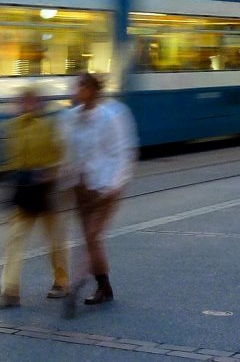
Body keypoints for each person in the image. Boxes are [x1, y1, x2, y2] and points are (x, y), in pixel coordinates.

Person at [61, 72, 137, 316]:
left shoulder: (113, 115)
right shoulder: (72, 117)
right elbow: (67, 151)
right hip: (82, 187)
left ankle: (76, 285)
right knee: (91, 240)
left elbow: (124, 153)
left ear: (93, 90)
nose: (75, 91)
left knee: (92, 236)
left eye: (80, 86)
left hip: (106, 187)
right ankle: (105, 287)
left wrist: (115, 184)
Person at [0, 85, 69, 309]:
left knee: (54, 241)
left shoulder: (51, 126)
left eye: (31, 101)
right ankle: (10, 292)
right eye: (22, 101)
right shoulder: (8, 127)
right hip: (24, 191)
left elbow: (63, 155)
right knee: (14, 240)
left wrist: (50, 173)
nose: (26, 105)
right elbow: (6, 159)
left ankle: (62, 282)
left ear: (39, 103)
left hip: (47, 192)